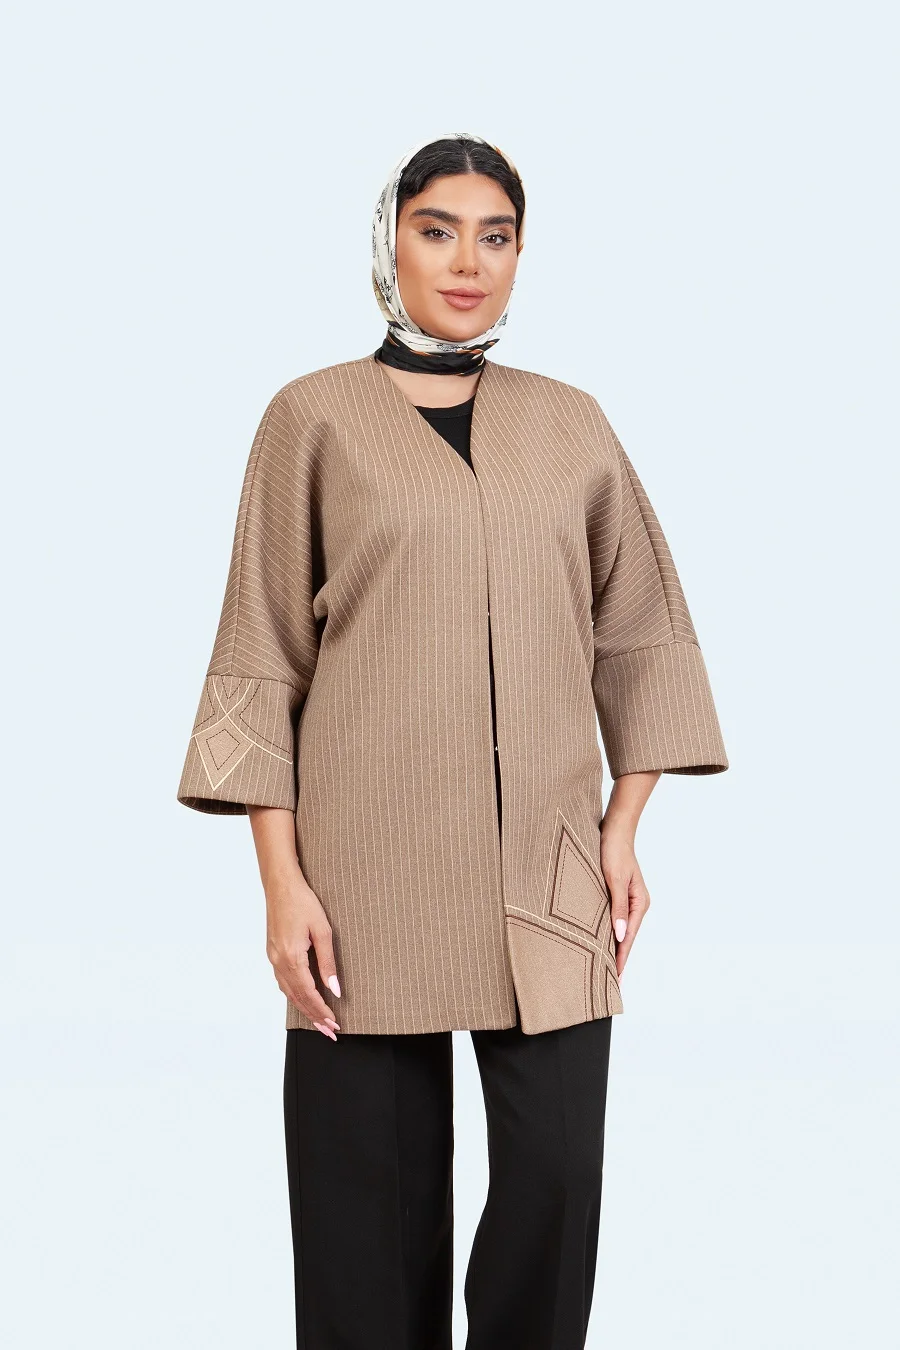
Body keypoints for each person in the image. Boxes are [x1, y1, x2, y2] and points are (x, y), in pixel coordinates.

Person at [176, 130, 728, 1350]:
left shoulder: (572, 424)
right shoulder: (311, 418)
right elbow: (262, 653)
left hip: (550, 870)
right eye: (438, 231)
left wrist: (623, 827)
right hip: (362, 877)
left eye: (496, 235)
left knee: (555, 1187)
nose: (468, 261)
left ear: (522, 253)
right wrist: (280, 885)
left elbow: (641, 630)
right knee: (365, 1218)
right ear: (392, 241)